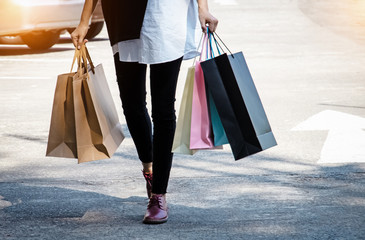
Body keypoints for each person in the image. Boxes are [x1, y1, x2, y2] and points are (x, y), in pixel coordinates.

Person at [71, 0, 218, 224]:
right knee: (132, 104)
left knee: (164, 109)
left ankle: (159, 194)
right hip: (123, 13)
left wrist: (203, 8)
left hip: (167, 16)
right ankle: (149, 166)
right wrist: (84, 21)